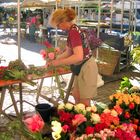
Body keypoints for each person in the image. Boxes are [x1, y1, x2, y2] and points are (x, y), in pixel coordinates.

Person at [47, 8, 98, 106]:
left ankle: (84, 119)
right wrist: (54, 59)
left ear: (64, 21)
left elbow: (78, 57)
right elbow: (68, 52)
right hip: (82, 66)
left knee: (84, 102)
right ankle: (79, 118)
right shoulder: (72, 30)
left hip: (86, 66)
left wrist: (57, 63)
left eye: (58, 25)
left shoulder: (73, 32)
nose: (59, 27)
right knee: (76, 95)